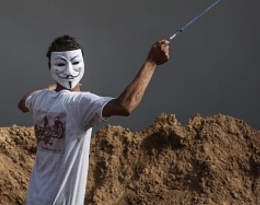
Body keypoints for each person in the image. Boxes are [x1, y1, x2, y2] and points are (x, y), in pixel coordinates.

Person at [18, 34, 170, 205]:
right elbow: (125, 106)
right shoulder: (79, 104)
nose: (69, 69)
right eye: (62, 64)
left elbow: (23, 102)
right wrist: (151, 62)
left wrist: (52, 87)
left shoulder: (40, 99)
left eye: (74, 63)